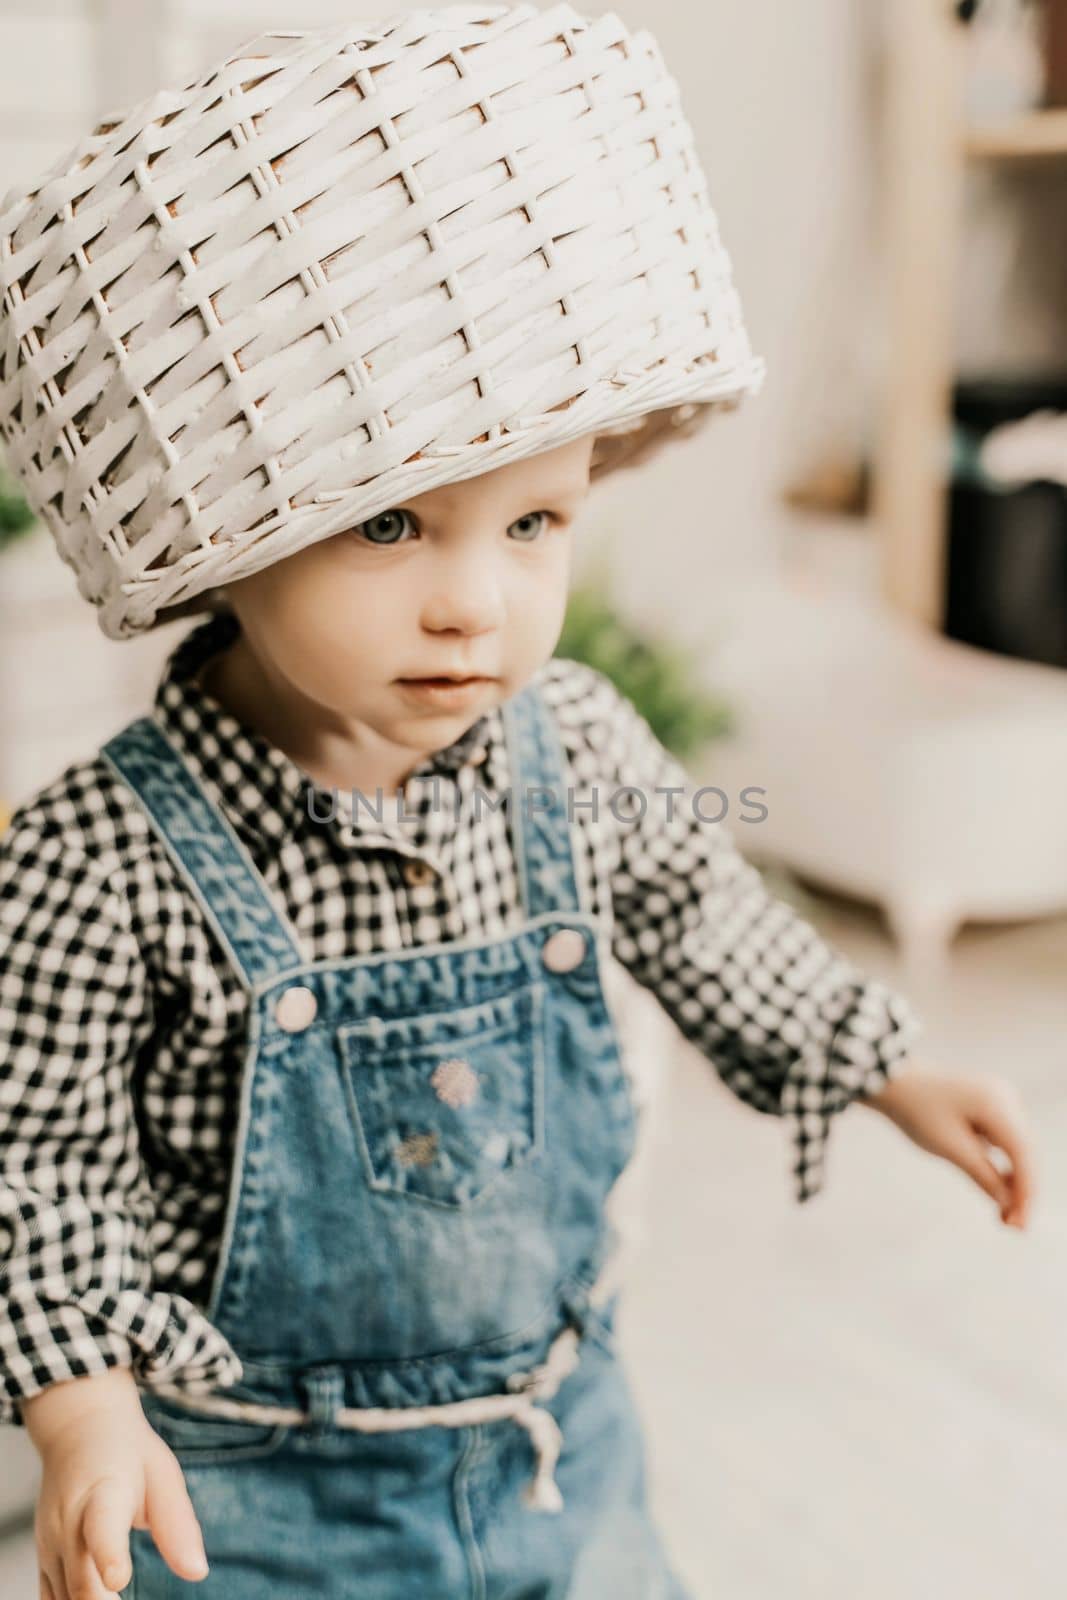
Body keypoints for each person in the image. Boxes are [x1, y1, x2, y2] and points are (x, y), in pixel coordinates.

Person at [0, 6, 1034, 1598]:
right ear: (229, 531)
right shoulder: (97, 855)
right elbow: (40, 1168)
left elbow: (713, 922)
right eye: (398, 527)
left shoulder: (587, 746)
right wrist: (82, 1416)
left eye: (536, 521)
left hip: (565, 1451)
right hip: (259, 1502)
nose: (477, 605)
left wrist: (881, 1061)